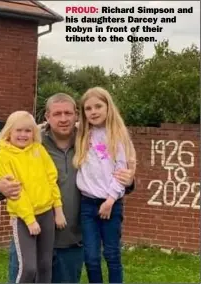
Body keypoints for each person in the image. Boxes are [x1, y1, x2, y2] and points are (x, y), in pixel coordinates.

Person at [0, 93, 136, 283]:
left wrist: (129, 181)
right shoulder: (32, 141)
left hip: (72, 243)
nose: (64, 119)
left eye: (68, 113)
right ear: (47, 117)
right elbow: (3, 171)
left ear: (77, 115)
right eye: (57, 114)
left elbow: (114, 173)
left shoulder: (89, 140)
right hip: (33, 237)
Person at [0, 110, 67, 283]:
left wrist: (58, 209)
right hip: (23, 217)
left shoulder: (38, 150)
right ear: (9, 132)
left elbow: (51, 178)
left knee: (45, 265)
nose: (23, 135)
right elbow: (15, 192)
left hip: (47, 213)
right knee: (28, 268)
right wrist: (29, 219)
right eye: (18, 130)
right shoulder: (3, 156)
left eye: (28, 131)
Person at [73, 87, 135, 283]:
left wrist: (110, 200)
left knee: (112, 255)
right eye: (88, 108)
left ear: (108, 107)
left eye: (98, 106)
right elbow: (52, 126)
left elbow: (121, 172)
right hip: (87, 204)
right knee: (91, 257)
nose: (93, 111)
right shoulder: (82, 133)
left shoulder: (117, 135)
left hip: (111, 204)